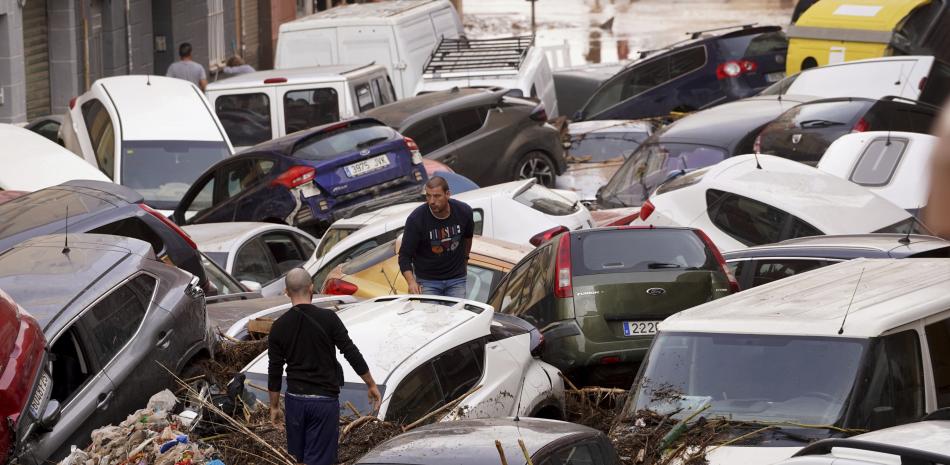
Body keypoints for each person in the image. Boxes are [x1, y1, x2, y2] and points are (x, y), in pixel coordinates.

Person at [267, 268, 381, 465]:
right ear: (311, 288)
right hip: (323, 403)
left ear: (286, 291)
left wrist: (275, 406)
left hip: (294, 402)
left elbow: (274, 370)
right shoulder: (328, 319)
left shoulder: (279, 326)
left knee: (302, 459)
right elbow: (350, 351)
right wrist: (370, 384)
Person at [398, 176, 474, 297]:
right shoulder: (416, 219)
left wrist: (465, 259)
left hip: (456, 279)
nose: (432, 201)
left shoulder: (464, 211)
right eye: (428, 196)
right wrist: (411, 282)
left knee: (457, 315)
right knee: (433, 315)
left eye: (437, 196)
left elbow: (468, 237)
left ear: (448, 194)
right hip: (428, 282)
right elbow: (404, 256)